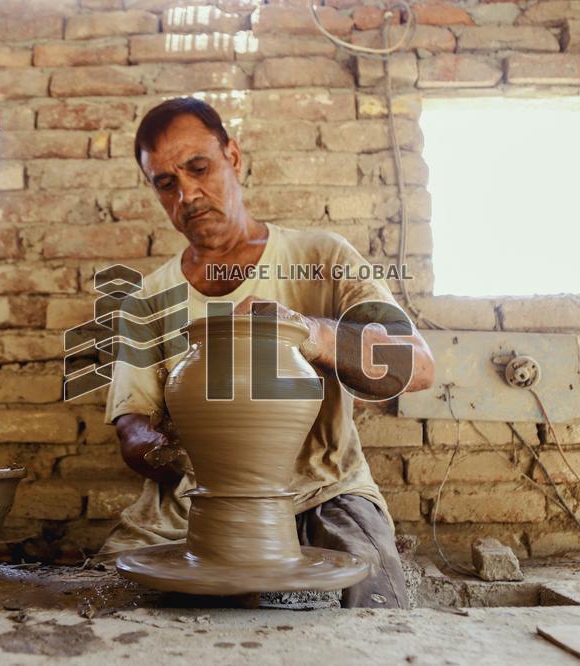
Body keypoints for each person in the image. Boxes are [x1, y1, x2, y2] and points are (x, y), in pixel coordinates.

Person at [99, 97, 435, 608]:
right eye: (166, 183)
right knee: (110, 601)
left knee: (374, 606)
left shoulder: (320, 257)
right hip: (195, 499)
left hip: (325, 492)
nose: (187, 194)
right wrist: (183, 454)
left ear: (233, 157)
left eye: (198, 168)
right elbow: (132, 428)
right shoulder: (146, 299)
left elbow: (419, 366)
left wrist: (307, 332)